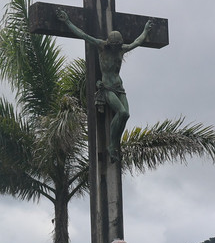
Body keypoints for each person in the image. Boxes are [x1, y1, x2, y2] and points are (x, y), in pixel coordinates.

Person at [57, 10, 153, 162]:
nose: (116, 48)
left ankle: (114, 144)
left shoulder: (122, 49)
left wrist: (145, 30)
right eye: (114, 46)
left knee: (126, 115)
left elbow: (137, 42)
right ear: (109, 43)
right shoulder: (102, 46)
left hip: (119, 87)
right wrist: (67, 22)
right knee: (121, 113)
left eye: (118, 46)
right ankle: (112, 145)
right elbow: (83, 35)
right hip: (107, 88)